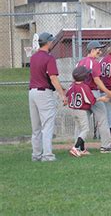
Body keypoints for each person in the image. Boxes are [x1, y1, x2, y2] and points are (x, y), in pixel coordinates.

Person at [29, 32, 67, 162]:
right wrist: (62, 95)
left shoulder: (33, 57)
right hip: (44, 93)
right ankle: (47, 155)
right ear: (48, 43)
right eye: (52, 42)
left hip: (32, 93)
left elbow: (45, 77)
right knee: (47, 125)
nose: (53, 43)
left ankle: (36, 155)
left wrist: (60, 87)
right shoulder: (49, 58)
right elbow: (52, 77)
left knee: (36, 127)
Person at [76, 40, 111, 153]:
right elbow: (97, 80)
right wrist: (108, 92)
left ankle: (79, 147)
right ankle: (106, 146)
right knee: (102, 118)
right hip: (92, 92)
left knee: (82, 121)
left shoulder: (80, 62)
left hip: (81, 92)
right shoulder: (94, 62)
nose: (100, 51)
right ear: (93, 50)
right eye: (98, 49)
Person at [67, 66, 110, 157]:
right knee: (85, 129)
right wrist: (101, 99)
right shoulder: (84, 87)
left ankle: (82, 149)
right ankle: (75, 148)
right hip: (81, 111)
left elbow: (67, 95)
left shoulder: (71, 86)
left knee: (80, 128)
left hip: (73, 110)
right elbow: (92, 101)